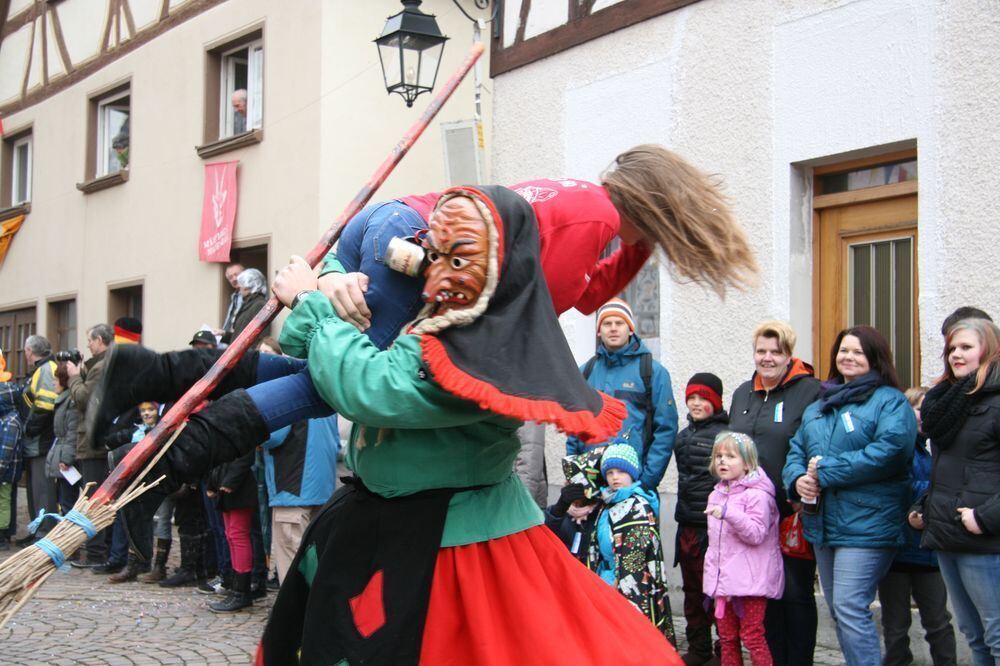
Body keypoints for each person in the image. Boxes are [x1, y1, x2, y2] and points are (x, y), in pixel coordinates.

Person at [137, 186, 682, 663]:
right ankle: (156, 379)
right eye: (440, 247)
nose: (434, 260)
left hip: (456, 546)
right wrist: (328, 287)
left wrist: (308, 297)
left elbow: (366, 386)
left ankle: (174, 442)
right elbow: (317, 355)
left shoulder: (480, 346)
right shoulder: (446, 319)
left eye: (456, 251)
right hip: (385, 520)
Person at [89, 145, 757, 468]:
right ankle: (169, 455)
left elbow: (578, 297)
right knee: (334, 387)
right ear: (661, 211)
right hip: (410, 248)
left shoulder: (587, 203)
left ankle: (153, 373)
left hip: (390, 227)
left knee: (317, 370)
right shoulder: (594, 223)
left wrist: (640, 251)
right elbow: (523, 311)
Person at [783, 325, 917, 666]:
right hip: (823, 523)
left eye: (858, 352)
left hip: (869, 523)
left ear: (874, 358)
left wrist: (825, 471)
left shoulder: (890, 401)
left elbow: (891, 451)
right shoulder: (820, 405)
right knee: (839, 610)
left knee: (849, 605)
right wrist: (798, 479)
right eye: (844, 351)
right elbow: (796, 450)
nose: (849, 357)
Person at [728, 319, 821, 665]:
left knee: (795, 592)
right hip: (750, 514)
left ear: (788, 355)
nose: (766, 358)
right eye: (761, 351)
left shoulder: (810, 391)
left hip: (788, 511)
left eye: (775, 352)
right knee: (761, 594)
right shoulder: (742, 393)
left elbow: (814, 442)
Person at [915, 317, 1000, 665]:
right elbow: (950, 469)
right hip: (948, 532)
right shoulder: (950, 401)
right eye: (952, 348)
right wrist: (924, 506)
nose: (956, 355)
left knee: (996, 636)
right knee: (974, 635)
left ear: (988, 350)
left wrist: (984, 518)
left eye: (966, 347)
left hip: (983, 537)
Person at [877, 387, 957, 666]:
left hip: (930, 553)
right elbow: (898, 486)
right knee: (895, 626)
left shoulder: (942, 445)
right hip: (896, 551)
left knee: (938, 623)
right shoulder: (898, 446)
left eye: (928, 409)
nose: (923, 415)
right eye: (918, 408)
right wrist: (936, 492)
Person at [566, 297, 678, 492]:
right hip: (592, 484)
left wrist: (647, 480)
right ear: (599, 331)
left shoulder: (652, 372)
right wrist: (577, 476)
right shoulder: (585, 372)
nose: (613, 328)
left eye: (620, 323)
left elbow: (666, 429)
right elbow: (574, 427)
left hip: (635, 482)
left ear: (631, 328)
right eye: (607, 323)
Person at [703, 431, 783, 666]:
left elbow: (756, 534)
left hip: (750, 583)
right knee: (727, 638)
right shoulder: (716, 494)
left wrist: (730, 514)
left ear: (747, 463)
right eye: (718, 456)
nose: (723, 461)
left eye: (730, 456)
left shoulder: (758, 495)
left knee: (752, 636)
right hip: (724, 583)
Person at [590, 443, 676, 643]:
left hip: (630, 581)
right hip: (605, 575)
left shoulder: (638, 505)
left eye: (621, 471)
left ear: (632, 473)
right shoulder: (606, 503)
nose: (615, 477)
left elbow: (636, 553)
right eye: (610, 472)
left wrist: (619, 581)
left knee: (630, 635)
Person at [674, 372, 730, 665]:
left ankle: (726, 650)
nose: (696, 404)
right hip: (687, 525)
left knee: (717, 591)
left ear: (716, 401)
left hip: (714, 528)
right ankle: (699, 649)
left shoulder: (726, 437)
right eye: (691, 398)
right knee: (692, 590)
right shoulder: (682, 437)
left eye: (703, 398)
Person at [261, 413, 339, 582]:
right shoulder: (325, 394)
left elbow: (271, 437)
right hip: (322, 488)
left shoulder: (287, 395)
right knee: (315, 558)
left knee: (291, 559)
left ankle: (295, 607)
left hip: (292, 488)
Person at [66, 323, 113, 568]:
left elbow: (84, 398)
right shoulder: (100, 365)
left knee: (93, 499)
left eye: (90, 340)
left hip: (94, 443)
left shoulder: (102, 367)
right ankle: (99, 552)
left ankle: (97, 554)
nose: (88, 344)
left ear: (99, 340)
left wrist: (74, 376)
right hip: (96, 442)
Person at [20, 335, 59, 541]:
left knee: (43, 490)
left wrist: (29, 429)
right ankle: (36, 530)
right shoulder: (41, 369)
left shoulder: (45, 370)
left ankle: (44, 533)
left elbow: (45, 406)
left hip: (41, 441)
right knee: (34, 490)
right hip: (35, 441)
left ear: (30, 351)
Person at [45, 363, 79, 519]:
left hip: (67, 459)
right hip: (61, 453)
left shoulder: (71, 402)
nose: (53, 383)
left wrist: (66, 458)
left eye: (56, 379)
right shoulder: (63, 401)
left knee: (67, 501)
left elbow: (73, 432)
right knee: (63, 500)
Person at [0, 351, 23, 550]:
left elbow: (7, 449)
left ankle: (3, 533)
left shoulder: (10, 421)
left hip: (6, 470)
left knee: (4, 501)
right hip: (6, 469)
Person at [221, 268, 268, 347]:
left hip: (247, 356)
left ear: (247, 287)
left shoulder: (259, 305)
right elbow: (239, 337)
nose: (240, 289)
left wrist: (249, 356)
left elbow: (260, 337)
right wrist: (224, 334)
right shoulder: (249, 305)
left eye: (241, 286)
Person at [219, 263, 245, 341]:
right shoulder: (234, 297)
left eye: (236, 274)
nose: (234, 279)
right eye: (230, 277)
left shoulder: (252, 295)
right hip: (230, 339)